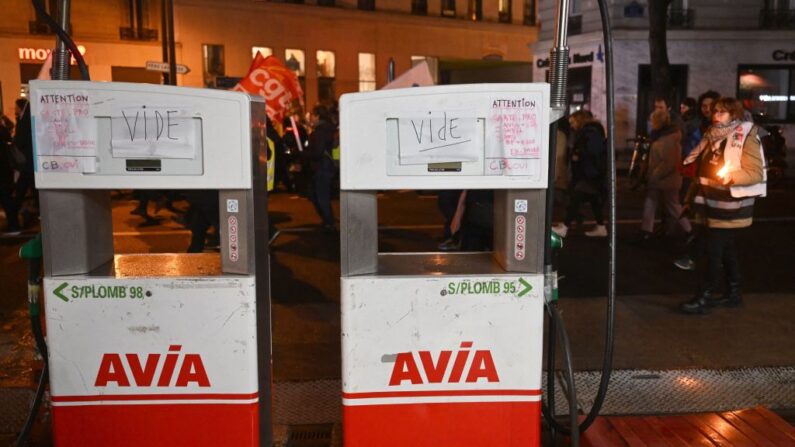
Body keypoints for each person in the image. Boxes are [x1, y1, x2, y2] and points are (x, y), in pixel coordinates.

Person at [679, 97, 765, 314]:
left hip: (730, 208)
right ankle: (733, 294)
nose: (716, 115)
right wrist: (690, 200)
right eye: (715, 111)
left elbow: (755, 172)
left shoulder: (746, 137)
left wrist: (732, 177)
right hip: (710, 205)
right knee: (726, 251)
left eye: (723, 112)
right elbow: (701, 173)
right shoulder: (712, 136)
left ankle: (704, 297)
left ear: (734, 115)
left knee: (712, 252)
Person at [635, 110, 691, 242]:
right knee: (659, 203)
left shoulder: (668, 138)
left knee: (669, 205)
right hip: (665, 179)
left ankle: (688, 230)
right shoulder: (662, 136)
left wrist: (654, 175)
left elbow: (669, 163)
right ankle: (646, 230)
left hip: (665, 179)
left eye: (652, 120)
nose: (650, 123)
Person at [552, 110, 607, 238]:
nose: (571, 125)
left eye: (573, 122)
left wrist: (578, 154)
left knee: (575, 198)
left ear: (580, 120)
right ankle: (600, 226)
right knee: (593, 200)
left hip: (590, 174)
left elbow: (593, 152)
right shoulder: (590, 131)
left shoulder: (591, 132)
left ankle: (565, 227)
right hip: (591, 173)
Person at [305, 104, 336, 231]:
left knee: (321, 196)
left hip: (322, 168)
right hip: (323, 167)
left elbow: (317, 152)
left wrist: (302, 153)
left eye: (312, 115)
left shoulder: (321, 131)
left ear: (317, 116)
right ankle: (328, 220)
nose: (310, 117)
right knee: (317, 195)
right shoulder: (325, 129)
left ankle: (329, 222)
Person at [13, 98, 37, 227]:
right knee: (32, 188)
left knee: (22, 189)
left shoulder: (23, 122)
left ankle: (13, 213)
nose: (15, 108)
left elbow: (20, 140)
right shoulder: (26, 120)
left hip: (26, 164)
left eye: (16, 106)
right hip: (30, 163)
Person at [0, 116, 21, 234]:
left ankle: (14, 226)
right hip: (6, 170)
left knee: (6, 199)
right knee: (7, 199)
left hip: (3, 172)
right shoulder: (3, 130)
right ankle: (14, 225)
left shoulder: (2, 130)